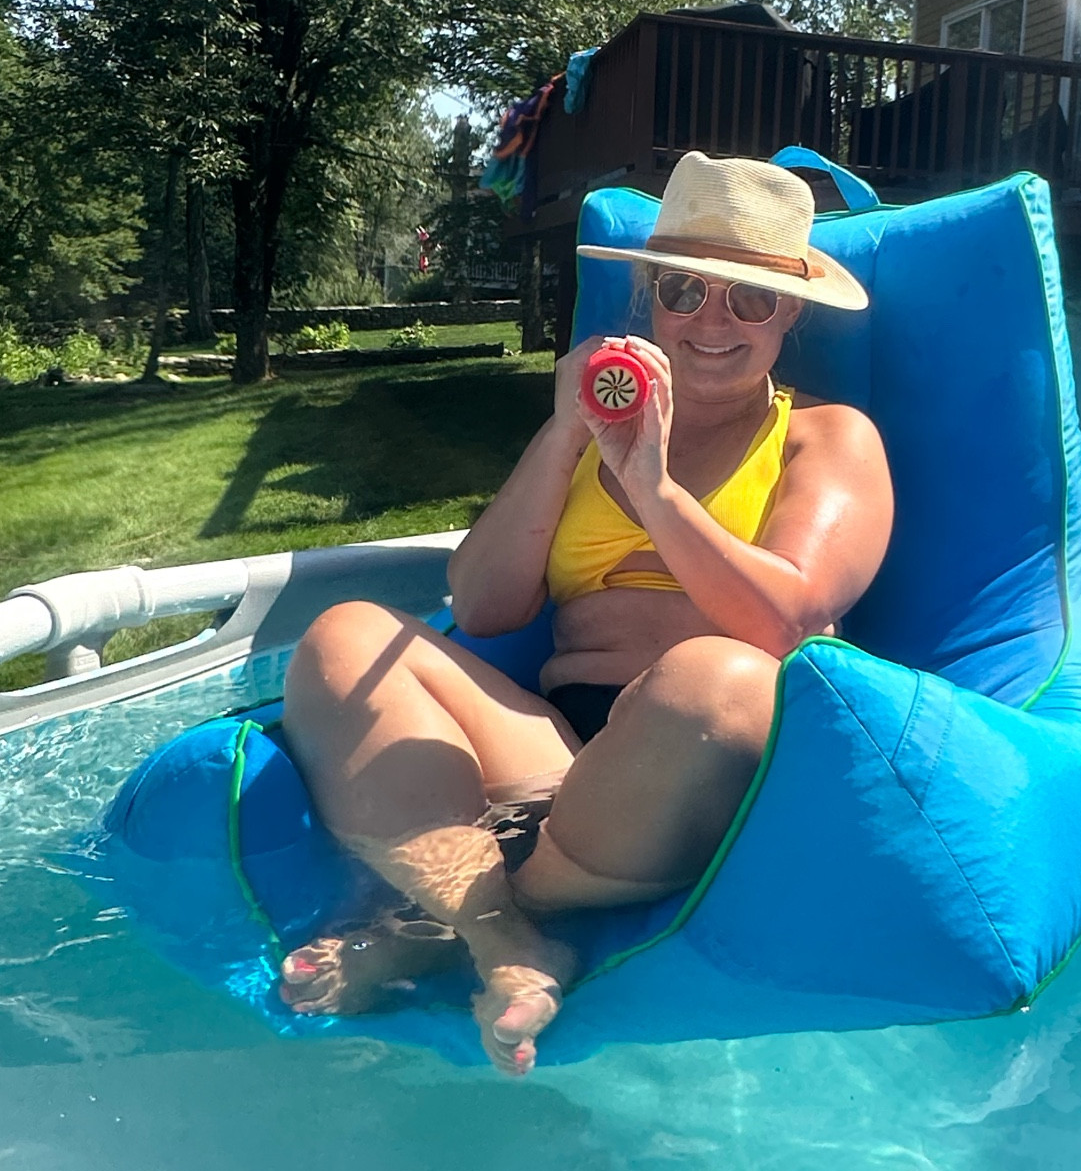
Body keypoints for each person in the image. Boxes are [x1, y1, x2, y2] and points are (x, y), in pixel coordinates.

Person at [277, 153, 894, 1074]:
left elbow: (784, 624)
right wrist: (566, 431)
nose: (713, 321)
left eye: (751, 299)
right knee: (345, 637)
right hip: (560, 749)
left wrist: (652, 486)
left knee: (714, 677)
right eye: (684, 290)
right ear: (647, 298)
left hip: (705, 751)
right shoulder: (590, 431)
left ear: (789, 314)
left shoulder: (828, 436)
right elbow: (483, 608)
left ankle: (433, 927)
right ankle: (501, 935)